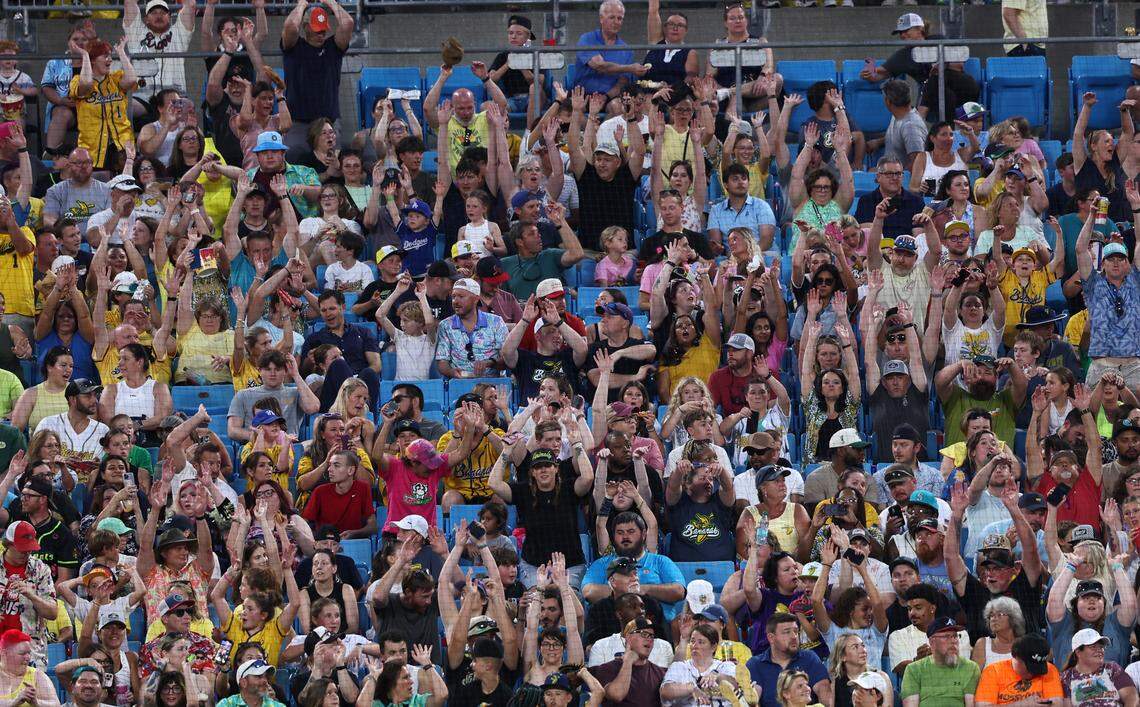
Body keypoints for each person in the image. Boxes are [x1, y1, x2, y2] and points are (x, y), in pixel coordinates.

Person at [746, 613, 832, 707]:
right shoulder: (755, 664)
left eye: (796, 631)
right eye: (787, 632)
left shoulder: (809, 658)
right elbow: (752, 700)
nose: (794, 636)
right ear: (771, 638)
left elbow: (824, 692)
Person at [899, 616, 981, 707]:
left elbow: (970, 705)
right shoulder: (913, 670)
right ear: (932, 642)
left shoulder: (970, 668)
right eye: (946, 636)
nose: (953, 641)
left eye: (955, 636)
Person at [974, 633, 1063, 706]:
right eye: (1030, 667)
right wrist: (1021, 704)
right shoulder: (993, 671)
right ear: (1015, 656)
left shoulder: (1050, 669)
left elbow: (1057, 704)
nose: (1034, 673)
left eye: (1039, 667)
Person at [1060, 628, 1138, 707]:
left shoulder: (1112, 669)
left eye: (1101, 647)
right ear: (1078, 652)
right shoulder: (1066, 677)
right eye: (1093, 647)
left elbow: (1132, 698)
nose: (1100, 650)